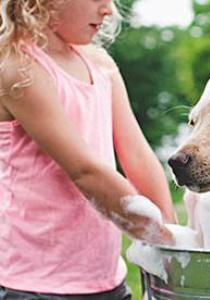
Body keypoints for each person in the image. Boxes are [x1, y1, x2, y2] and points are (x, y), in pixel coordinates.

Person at [0, 0, 176, 298]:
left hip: (105, 279)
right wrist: (158, 235)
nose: (108, 10)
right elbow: (85, 171)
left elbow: (137, 156)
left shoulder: (101, 65)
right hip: (35, 283)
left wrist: (173, 236)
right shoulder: (18, 66)